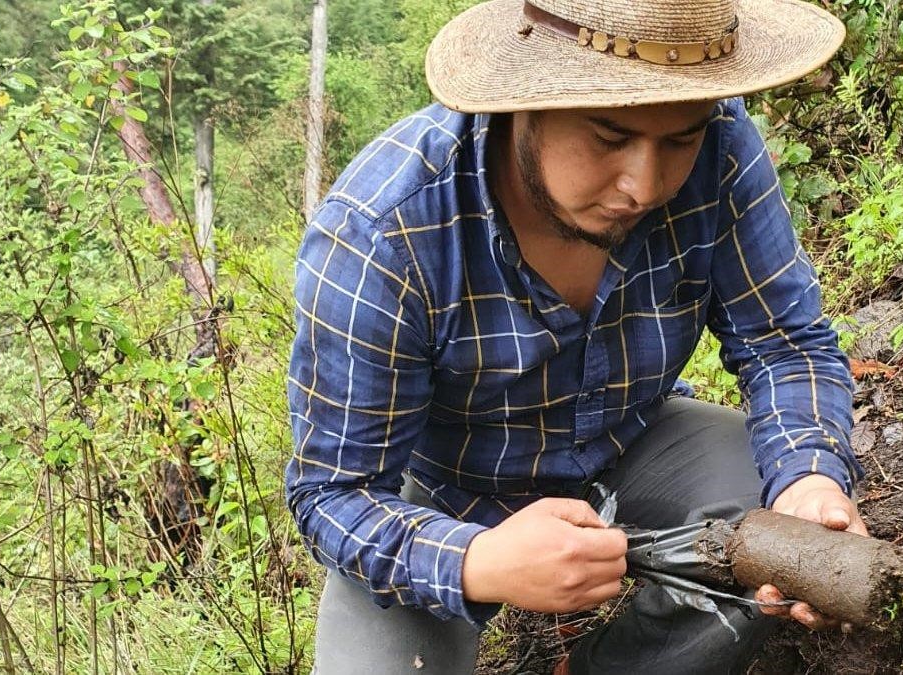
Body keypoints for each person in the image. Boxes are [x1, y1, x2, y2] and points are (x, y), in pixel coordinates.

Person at [286, 0, 868, 672]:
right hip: (447, 492)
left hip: (628, 434)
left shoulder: (723, 150)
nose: (643, 184)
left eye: (679, 139)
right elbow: (333, 493)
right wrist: (478, 561)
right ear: (521, 102)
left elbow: (784, 343)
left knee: (765, 515)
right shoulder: (383, 235)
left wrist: (810, 481)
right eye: (609, 136)